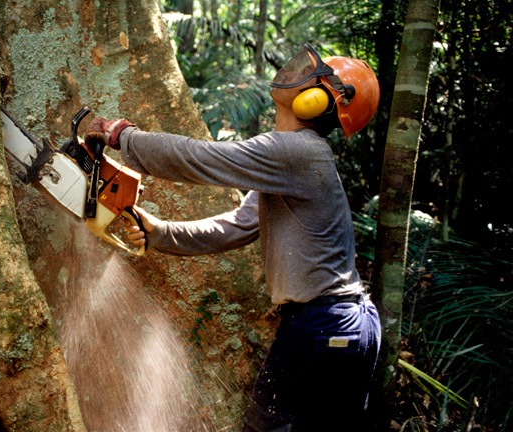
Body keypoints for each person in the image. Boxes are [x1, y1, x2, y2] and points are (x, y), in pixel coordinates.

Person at [85, 42, 382, 431]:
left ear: (317, 101)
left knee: (265, 426)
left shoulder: (298, 151)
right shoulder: (289, 163)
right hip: (346, 324)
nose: (291, 73)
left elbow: (203, 159)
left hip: (323, 324)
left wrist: (123, 136)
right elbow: (236, 227)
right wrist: (161, 233)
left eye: (308, 76)